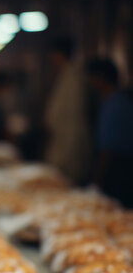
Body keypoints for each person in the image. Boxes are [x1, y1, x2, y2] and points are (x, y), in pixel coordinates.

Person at [43, 36, 92, 185]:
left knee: (69, 184)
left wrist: (64, 157)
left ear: (58, 54)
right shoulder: (66, 75)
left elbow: (73, 119)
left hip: (70, 147)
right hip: (62, 143)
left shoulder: (74, 78)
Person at [88, 57, 133, 208]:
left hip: (118, 167)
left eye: (92, 76)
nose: (90, 81)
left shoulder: (115, 105)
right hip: (118, 164)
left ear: (101, 77)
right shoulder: (114, 101)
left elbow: (108, 147)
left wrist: (96, 181)